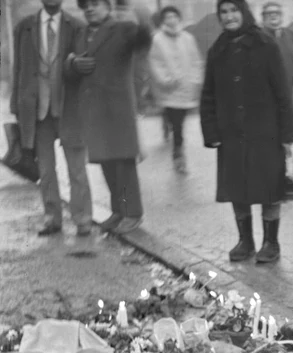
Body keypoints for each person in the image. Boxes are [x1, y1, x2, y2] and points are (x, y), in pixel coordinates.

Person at [200, 0, 293, 264]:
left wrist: (287, 135)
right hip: (231, 134)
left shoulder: (266, 45)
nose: (229, 16)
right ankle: (245, 241)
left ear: (244, 13)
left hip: (266, 132)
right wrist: (211, 131)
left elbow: (282, 93)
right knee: (237, 188)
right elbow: (207, 94)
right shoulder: (217, 50)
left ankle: (271, 242)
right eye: (224, 12)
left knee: (269, 188)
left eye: (234, 11)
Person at [67, 0, 152, 235]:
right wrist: (73, 64)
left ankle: (133, 213)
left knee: (123, 163)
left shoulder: (123, 28)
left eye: (95, 4)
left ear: (107, 6)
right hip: (93, 109)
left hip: (117, 108)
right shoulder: (82, 32)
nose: (90, 9)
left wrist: (142, 19)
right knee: (106, 162)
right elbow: (69, 62)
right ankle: (118, 210)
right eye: (85, 6)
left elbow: (143, 41)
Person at [10, 0, 93, 237]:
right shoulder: (24, 27)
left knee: (76, 168)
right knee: (45, 170)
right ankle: (52, 218)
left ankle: (83, 219)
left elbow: (82, 66)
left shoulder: (77, 26)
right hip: (38, 111)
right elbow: (19, 69)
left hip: (69, 108)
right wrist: (16, 105)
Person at [149, 6, 204, 174]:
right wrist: (165, 79)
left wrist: (196, 79)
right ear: (163, 20)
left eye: (174, 16)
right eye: (167, 17)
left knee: (180, 123)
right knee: (178, 124)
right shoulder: (157, 39)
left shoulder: (187, 38)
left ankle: (175, 144)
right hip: (169, 90)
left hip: (186, 88)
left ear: (179, 19)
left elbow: (196, 60)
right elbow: (154, 62)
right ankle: (178, 155)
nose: (171, 20)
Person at [260, 1, 293, 98]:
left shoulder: (291, 35)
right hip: (265, 95)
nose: (273, 15)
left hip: (289, 93)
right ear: (263, 17)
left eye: (277, 13)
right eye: (269, 13)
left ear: (281, 16)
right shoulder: (257, 38)